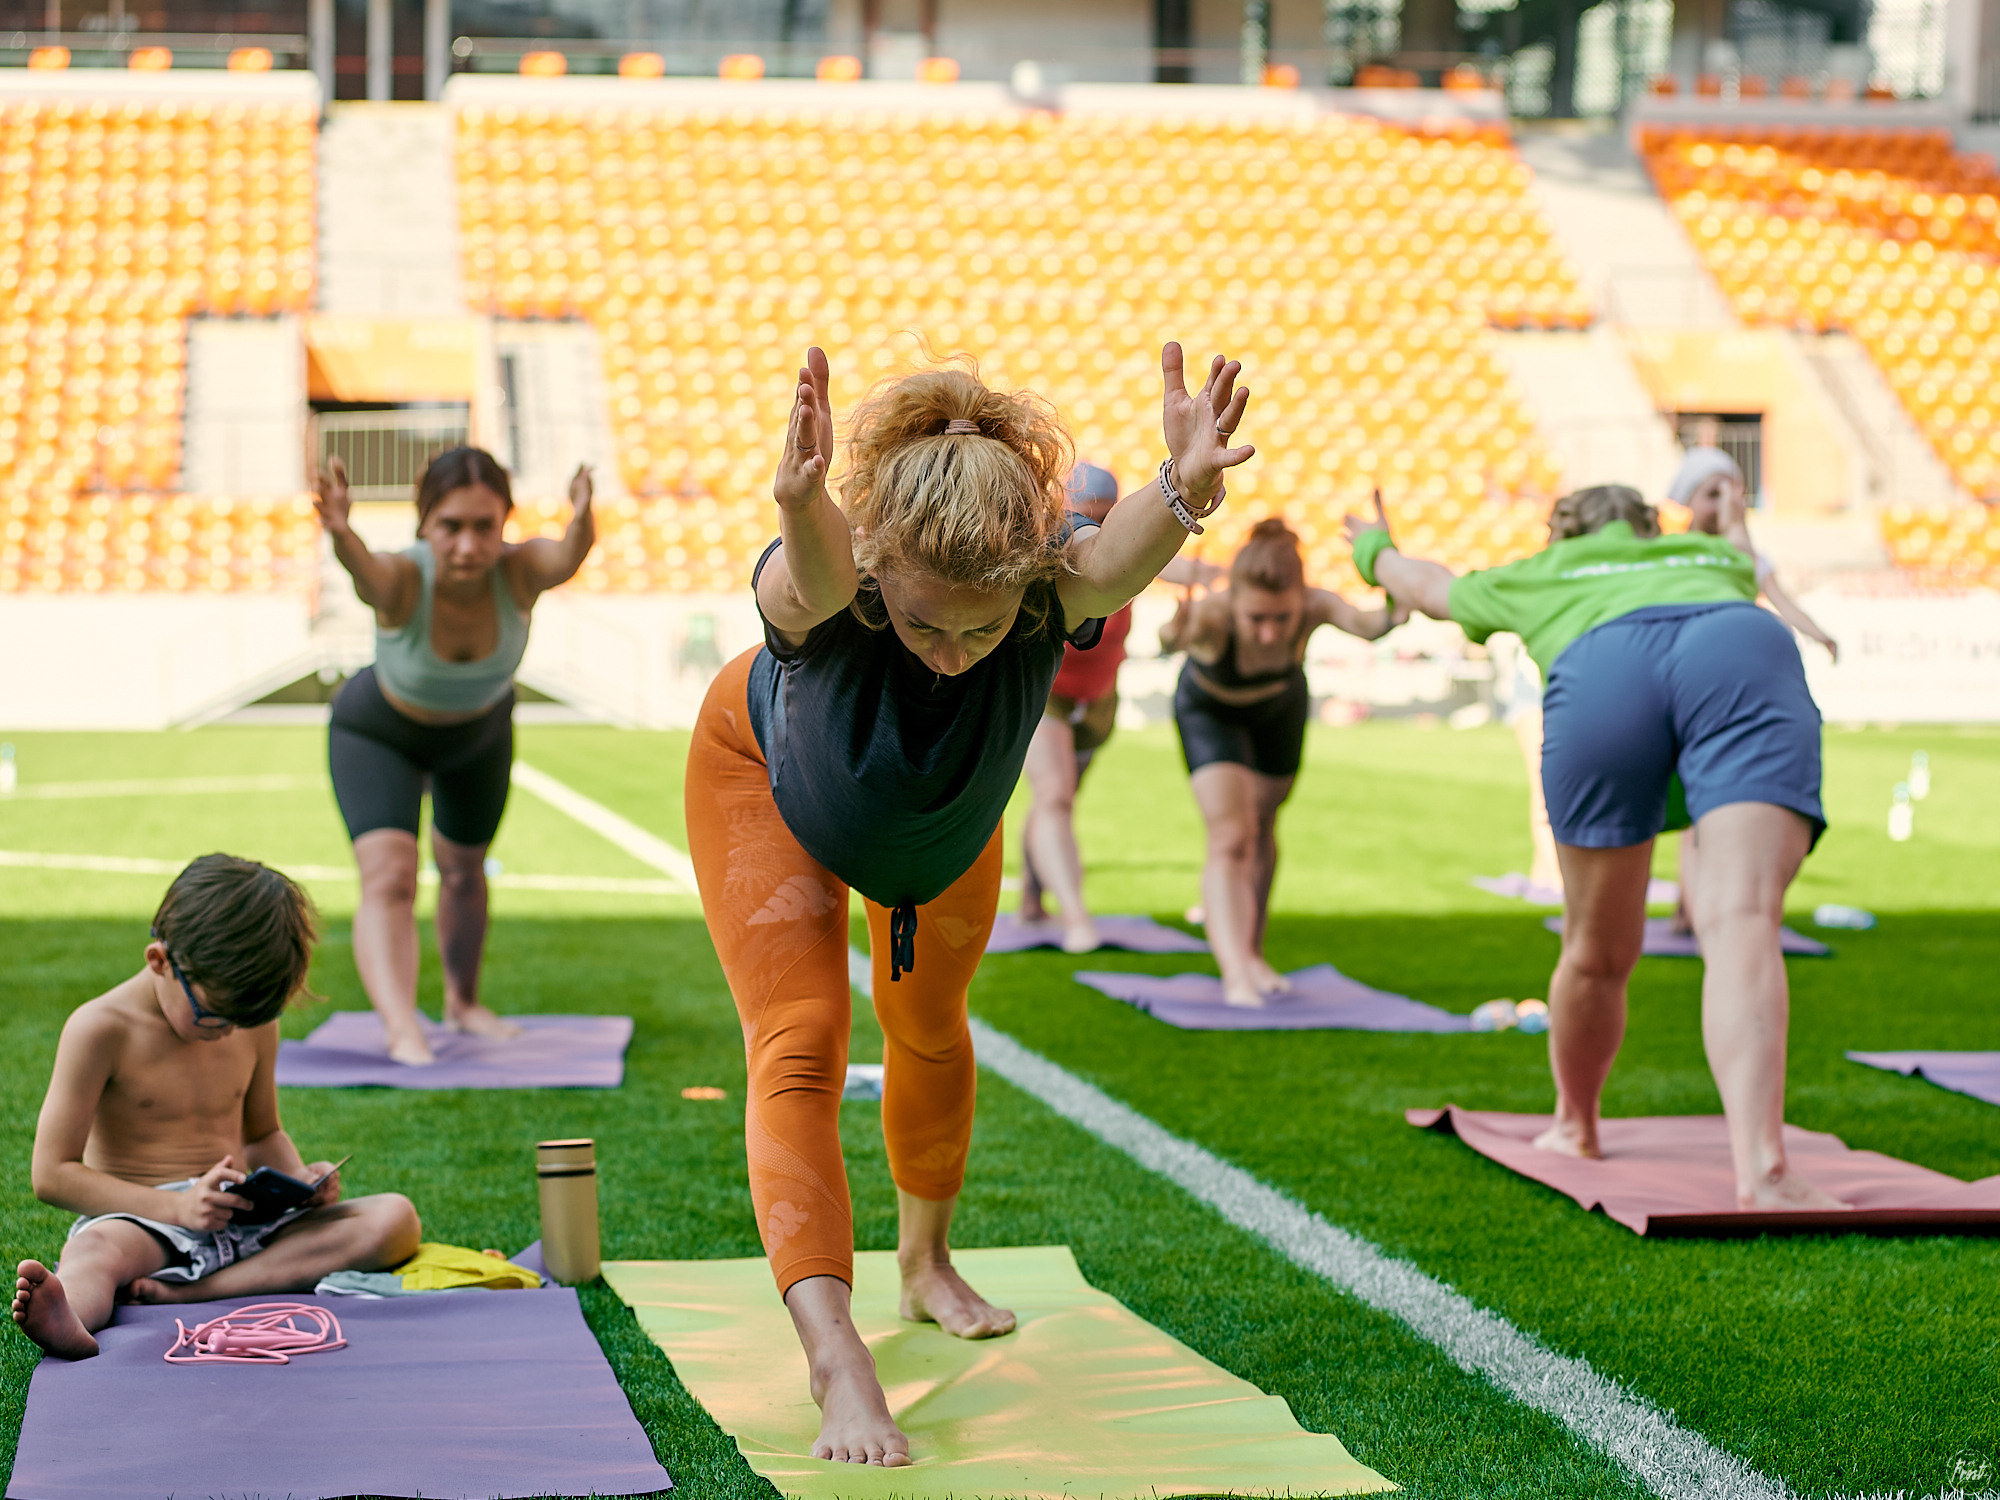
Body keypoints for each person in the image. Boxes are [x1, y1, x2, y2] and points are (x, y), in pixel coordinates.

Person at [683, 342, 1253, 1467]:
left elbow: (1110, 565)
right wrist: (801, 505)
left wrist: (1185, 487)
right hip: (768, 779)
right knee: (801, 1044)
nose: (950, 658)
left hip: (938, 822)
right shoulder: (834, 586)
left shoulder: (1047, 587)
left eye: (979, 631)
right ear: (882, 572)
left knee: (929, 1028)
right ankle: (836, 1355)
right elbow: (799, 580)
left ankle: (925, 1261)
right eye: (925, 624)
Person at [1345, 483, 1841, 1211]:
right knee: (1742, 919)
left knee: (1597, 952)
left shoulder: (1539, 572)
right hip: (1739, 643)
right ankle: (1764, 1171)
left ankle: (1576, 1125)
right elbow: (1743, 556)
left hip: (1602, 662)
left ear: (1561, 532)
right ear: (1646, 528)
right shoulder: (1705, 553)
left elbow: (1424, 584)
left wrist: (1371, 549)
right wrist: (1728, 521)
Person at [11, 855, 422, 1360]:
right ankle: (68, 1314)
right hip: (146, 1224)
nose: (227, 1031)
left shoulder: (249, 1021)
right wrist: (177, 1208)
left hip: (243, 1220)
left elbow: (262, 1132)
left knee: (393, 1218)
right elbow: (51, 1175)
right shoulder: (100, 1029)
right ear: (160, 961)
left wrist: (298, 1181)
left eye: (241, 1019)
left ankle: (192, 1293)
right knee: (94, 1253)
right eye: (213, 1017)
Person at [314, 447, 596, 1066]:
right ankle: (399, 1027)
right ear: (423, 525)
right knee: (390, 876)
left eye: (484, 527)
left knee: (466, 874)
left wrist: (581, 517)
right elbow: (365, 573)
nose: (468, 545)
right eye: (451, 527)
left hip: (479, 733)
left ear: (504, 523)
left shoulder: (518, 573)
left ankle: (463, 1005)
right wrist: (340, 530)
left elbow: (566, 557)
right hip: (379, 731)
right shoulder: (404, 578)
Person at [1157, 517, 1401, 1007]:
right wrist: (1174, 630)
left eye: (1281, 620)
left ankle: (1253, 951)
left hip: (1278, 707)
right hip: (1211, 709)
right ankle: (1235, 975)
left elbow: (1375, 626)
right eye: (1256, 620)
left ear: (1300, 601)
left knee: (1264, 824)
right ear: (1236, 601)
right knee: (1230, 837)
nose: (1269, 635)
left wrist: (1388, 570)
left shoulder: (1315, 604)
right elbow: (1168, 641)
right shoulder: (1214, 613)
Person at [1017, 462, 1222, 952]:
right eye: (1086, 517)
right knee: (1055, 796)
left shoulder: (1123, 545)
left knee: (1060, 798)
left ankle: (1031, 898)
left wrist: (1203, 586)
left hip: (1100, 699)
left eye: (1106, 518)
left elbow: (1179, 568)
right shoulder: (1048, 546)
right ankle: (1077, 920)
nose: (1096, 531)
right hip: (1048, 695)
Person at [1667, 446, 1838, 934]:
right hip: (1688, 679)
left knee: (1712, 800)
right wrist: (1733, 522)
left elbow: (1771, 593)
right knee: (1691, 803)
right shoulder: (1675, 551)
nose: (1724, 503)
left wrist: (1819, 634)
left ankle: (1695, 906)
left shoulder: (1746, 552)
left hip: (1727, 682)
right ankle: (1689, 906)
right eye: (1712, 493)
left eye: (1731, 492)